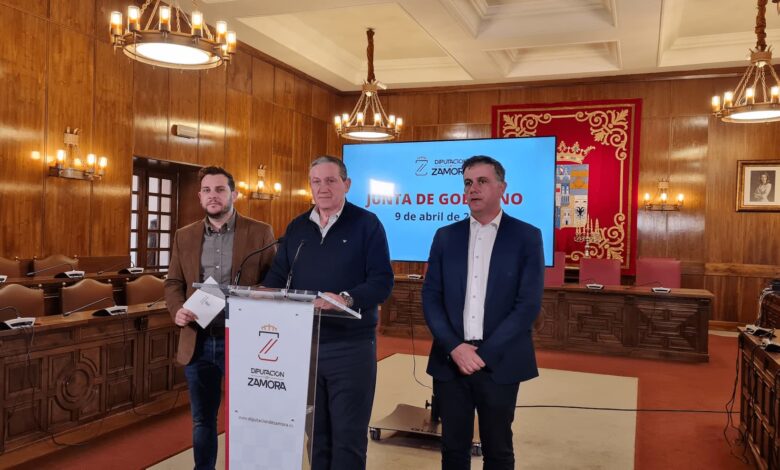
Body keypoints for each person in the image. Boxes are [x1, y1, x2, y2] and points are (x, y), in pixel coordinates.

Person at [263, 155, 394, 470]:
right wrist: (262, 293)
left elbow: (382, 281)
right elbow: (278, 276)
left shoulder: (367, 224)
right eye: (316, 181)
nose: (323, 188)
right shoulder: (297, 227)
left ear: (346, 184)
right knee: (316, 435)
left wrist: (346, 299)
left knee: (348, 436)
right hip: (303, 345)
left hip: (351, 347)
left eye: (331, 180)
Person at [422, 155, 544, 470]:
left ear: (502, 187)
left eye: (482, 181)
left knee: (498, 450)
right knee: (452, 451)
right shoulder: (445, 236)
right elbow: (431, 297)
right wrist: (456, 348)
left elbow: (527, 305)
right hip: (451, 362)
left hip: (500, 362)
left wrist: (482, 355)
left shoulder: (527, 236)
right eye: (467, 183)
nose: (473, 189)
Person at [165, 166, 276, 470]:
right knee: (203, 420)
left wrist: (256, 293)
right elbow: (173, 282)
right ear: (199, 196)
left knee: (248, 415)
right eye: (207, 190)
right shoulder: (184, 235)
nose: (212, 196)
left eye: (219, 189)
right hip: (198, 339)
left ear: (234, 194)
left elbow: (275, 282)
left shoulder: (260, 231)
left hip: (244, 340)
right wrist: (177, 309)